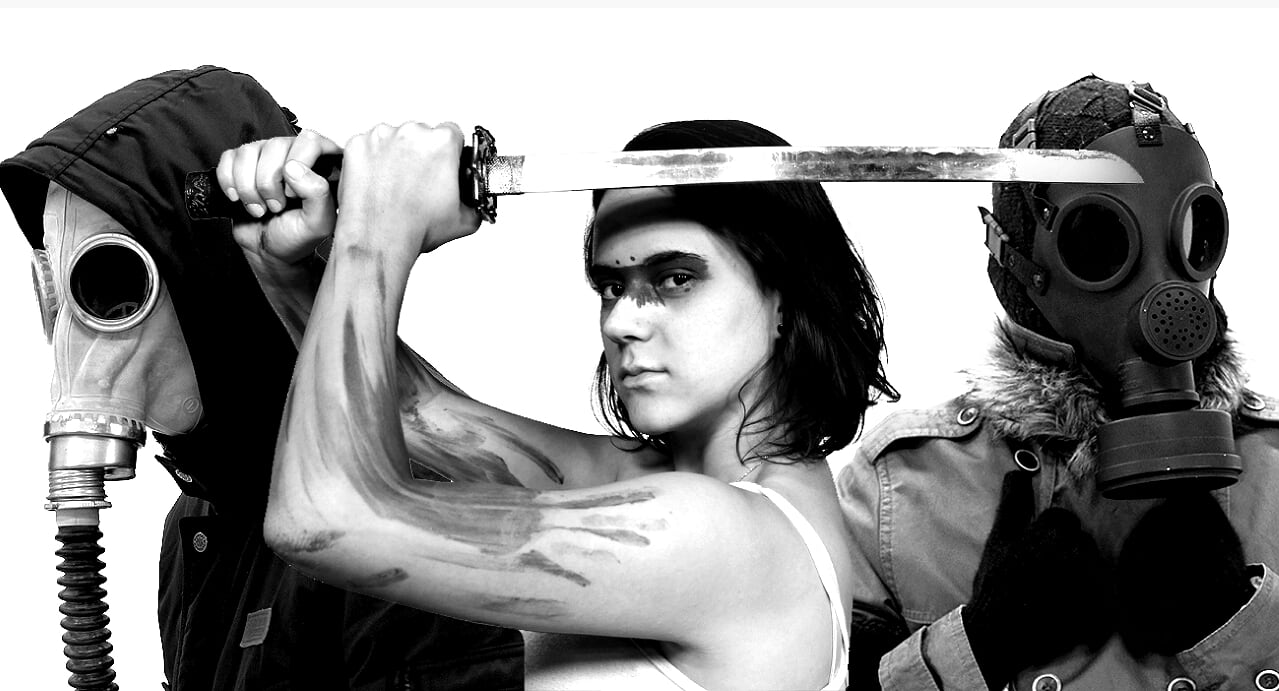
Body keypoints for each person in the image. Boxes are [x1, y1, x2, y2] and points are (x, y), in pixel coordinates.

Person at [218, 118, 897, 690]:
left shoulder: (721, 537)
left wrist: (377, 228)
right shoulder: (690, 487)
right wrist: (287, 269)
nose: (622, 321)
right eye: (611, 286)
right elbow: (414, 411)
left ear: (785, 299)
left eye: (674, 278)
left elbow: (322, 519)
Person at [0, 66, 523, 690]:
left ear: (210, 272)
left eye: (111, 281)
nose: (74, 341)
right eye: (57, 290)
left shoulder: (418, 508)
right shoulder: (198, 522)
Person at [839, 76, 1279, 690]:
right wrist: (983, 642)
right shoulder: (900, 486)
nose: (1163, 288)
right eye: (1098, 242)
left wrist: (1245, 629)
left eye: (1190, 232)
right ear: (1018, 263)